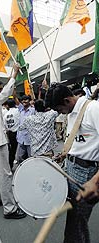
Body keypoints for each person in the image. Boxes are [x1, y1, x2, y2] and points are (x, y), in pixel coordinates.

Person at [45, 83, 99, 243]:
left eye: (59, 109)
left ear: (67, 100)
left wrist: (95, 181)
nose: (59, 113)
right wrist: (66, 153)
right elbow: (80, 139)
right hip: (72, 168)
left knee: (76, 225)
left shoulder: (93, 109)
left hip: (88, 173)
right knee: (77, 221)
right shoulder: (71, 113)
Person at [0, 64, 26, 219]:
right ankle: (10, 208)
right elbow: (7, 92)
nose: (1, 91)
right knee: (5, 174)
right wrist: (14, 73)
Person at [15, 95, 35, 163]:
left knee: (31, 158)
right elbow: (15, 98)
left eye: (26, 99)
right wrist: (13, 89)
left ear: (29, 101)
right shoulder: (21, 109)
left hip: (30, 138)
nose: (24, 101)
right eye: (23, 100)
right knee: (19, 158)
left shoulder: (33, 110)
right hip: (21, 138)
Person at [3, 98, 20, 170]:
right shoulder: (18, 111)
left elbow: (5, 127)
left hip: (10, 134)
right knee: (21, 149)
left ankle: (10, 166)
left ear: (7, 106)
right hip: (19, 132)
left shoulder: (5, 115)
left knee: (12, 151)